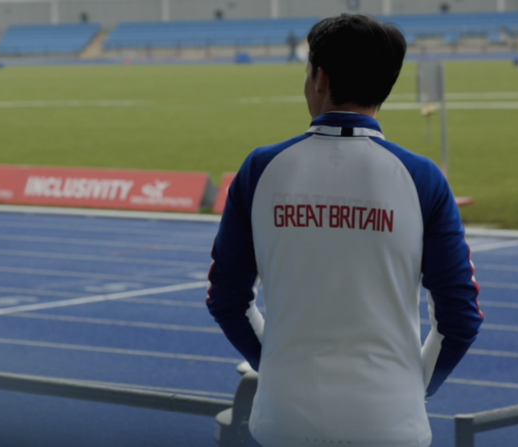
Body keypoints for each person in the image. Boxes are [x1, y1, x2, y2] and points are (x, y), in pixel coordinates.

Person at [206, 14, 483, 447]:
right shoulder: (422, 177)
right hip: (390, 424)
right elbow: (460, 319)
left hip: (282, 419)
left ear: (320, 78)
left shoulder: (260, 169)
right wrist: (413, 387)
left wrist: (275, 364)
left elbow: (226, 300)